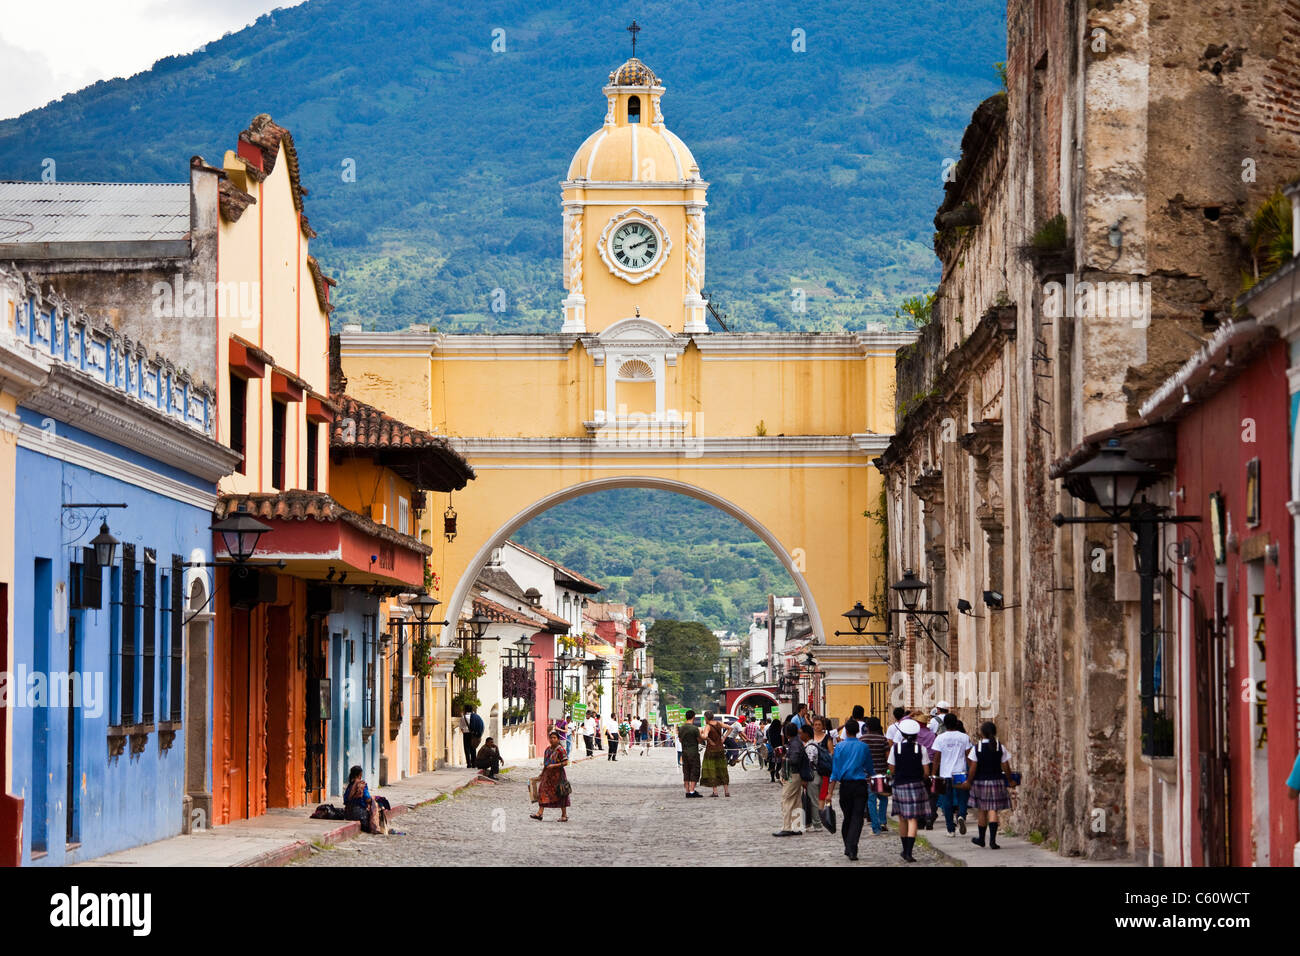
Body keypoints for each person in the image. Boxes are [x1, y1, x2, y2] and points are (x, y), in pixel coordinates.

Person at [823, 718, 874, 860]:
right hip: (859, 785)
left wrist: (829, 792)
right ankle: (852, 847)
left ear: (845, 731)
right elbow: (870, 768)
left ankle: (848, 845)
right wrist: (875, 777)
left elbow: (835, 771)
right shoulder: (863, 747)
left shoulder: (839, 747)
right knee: (858, 817)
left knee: (848, 817)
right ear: (858, 731)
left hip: (845, 786)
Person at [887, 718, 930, 863]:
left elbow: (891, 768)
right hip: (916, 785)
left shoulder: (896, 748)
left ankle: (905, 849)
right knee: (913, 820)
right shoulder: (921, 749)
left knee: (902, 818)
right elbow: (926, 772)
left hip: (899, 785)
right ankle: (909, 852)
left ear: (903, 734)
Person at [967, 721, 1015, 849]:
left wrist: (968, 781)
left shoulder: (977, 748)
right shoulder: (1000, 747)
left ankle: (981, 839)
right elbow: (1006, 766)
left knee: (982, 810)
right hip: (996, 781)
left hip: (980, 781)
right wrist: (1010, 780)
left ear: (982, 733)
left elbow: (973, 768)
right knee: (993, 810)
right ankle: (993, 841)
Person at [930, 713, 971, 836]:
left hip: (945, 774)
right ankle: (961, 815)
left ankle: (950, 829)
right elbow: (968, 756)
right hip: (960, 772)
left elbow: (937, 758)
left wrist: (933, 774)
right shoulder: (964, 737)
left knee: (946, 801)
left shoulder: (940, 738)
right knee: (962, 798)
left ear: (944, 724)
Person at [773, 722, 811, 836]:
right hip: (796, 775)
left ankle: (787, 827)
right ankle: (797, 827)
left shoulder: (794, 744)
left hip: (792, 775)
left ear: (786, 733)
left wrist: (783, 757)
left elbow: (794, 760)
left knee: (787, 800)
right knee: (796, 801)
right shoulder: (796, 743)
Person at [531, 730, 570, 822]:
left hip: (558, 775)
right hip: (548, 775)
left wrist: (554, 765)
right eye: (551, 738)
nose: (552, 740)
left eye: (554, 738)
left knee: (561, 793)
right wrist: (542, 774)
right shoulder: (547, 750)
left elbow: (565, 762)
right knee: (542, 791)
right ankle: (539, 813)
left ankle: (564, 815)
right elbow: (546, 764)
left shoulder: (561, 750)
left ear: (558, 739)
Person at [862, 716, 891, 835]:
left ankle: (875, 827)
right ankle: (883, 821)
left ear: (867, 727)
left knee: (871, 800)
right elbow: (888, 757)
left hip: (868, 775)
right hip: (881, 774)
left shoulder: (862, 739)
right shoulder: (883, 740)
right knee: (883, 798)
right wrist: (889, 772)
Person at [342, 765, 386, 834]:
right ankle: (379, 828)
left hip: (348, 814)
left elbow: (345, 800)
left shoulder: (349, 786)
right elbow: (367, 799)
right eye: (361, 775)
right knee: (378, 805)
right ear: (360, 775)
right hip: (360, 815)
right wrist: (374, 800)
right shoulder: (362, 785)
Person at [699, 711, 731, 797]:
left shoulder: (708, 726)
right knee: (722, 769)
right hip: (720, 749)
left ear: (706, 718)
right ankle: (726, 792)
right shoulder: (719, 723)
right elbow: (730, 728)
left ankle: (715, 792)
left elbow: (705, 736)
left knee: (712, 770)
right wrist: (724, 737)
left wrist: (701, 734)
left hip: (711, 751)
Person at [678, 709, 703, 797]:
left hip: (684, 752)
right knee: (694, 770)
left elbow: (680, 740)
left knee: (686, 771)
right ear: (693, 717)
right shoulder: (694, 728)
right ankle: (692, 791)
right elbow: (699, 740)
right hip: (693, 752)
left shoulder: (681, 728)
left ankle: (687, 791)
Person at [766, 715, 784, 783]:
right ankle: (777, 771)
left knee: (772, 764)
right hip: (779, 749)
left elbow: (768, 739)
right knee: (779, 763)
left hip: (772, 749)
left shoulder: (769, 730)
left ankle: (772, 777)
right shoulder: (780, 730)